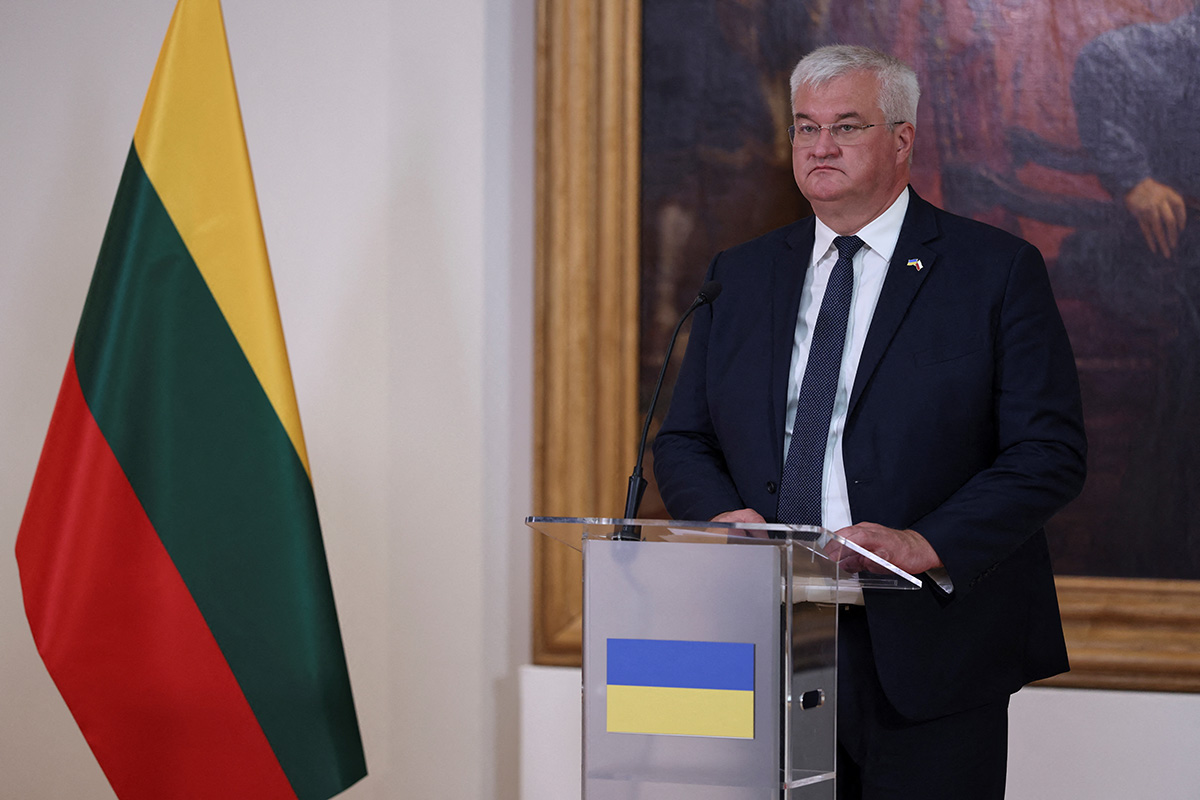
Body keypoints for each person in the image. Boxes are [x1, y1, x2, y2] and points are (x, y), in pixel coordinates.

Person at [652, 45, 1087, 799]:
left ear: (902, 138)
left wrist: (924, 542)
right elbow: (685, 439)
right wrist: (722, 515)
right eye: (805, 127)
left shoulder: (993, 270)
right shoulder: (741, 274)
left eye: (846, 127)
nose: (819, 147)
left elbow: (1048, 452)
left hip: (929, 649)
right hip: (768, 634)